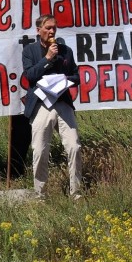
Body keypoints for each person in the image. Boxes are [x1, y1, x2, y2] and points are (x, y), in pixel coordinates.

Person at [21, 14, 82, 199]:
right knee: (39, 150)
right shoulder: (29, 51)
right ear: (38, 30)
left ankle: (76, 194)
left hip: (62, 102)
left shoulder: (66, 50)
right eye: (47, 28)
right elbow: (30, 76)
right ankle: (41, 196)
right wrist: (47, 58)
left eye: (54, 27)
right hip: (41, 105)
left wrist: (64, 79)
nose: (52, 31)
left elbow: (76, 76)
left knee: (74, 147)